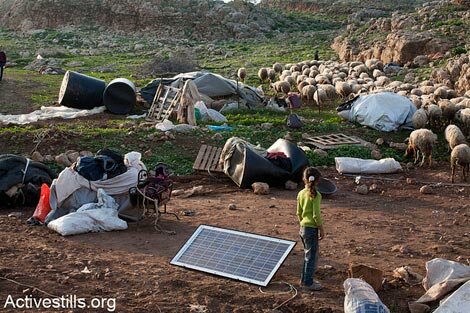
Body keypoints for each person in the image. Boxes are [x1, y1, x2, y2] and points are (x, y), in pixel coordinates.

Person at [297, 166, 325, 291]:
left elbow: (299, 212)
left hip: (303, 228)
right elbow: (316, 215)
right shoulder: (316, 195)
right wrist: (321, 228)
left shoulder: (301, 193)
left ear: (304, 179)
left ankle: (304, 280)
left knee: (307, 255)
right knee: (311, 257)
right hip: (311, 229)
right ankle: (308, 283)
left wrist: (302, 224)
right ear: (318, 180)